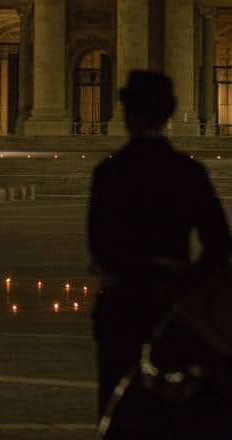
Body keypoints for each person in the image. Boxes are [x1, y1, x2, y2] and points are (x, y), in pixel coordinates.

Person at [88, 70, 232, 437]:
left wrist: (139, 270)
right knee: (176, 410)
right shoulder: (188, 172)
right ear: (169, 114)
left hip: (121, 304)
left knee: (117, 403)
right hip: (175, 313)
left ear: (126, 114)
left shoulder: (109, 173)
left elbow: (100, 247)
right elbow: (219, 244)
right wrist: (181, 280)